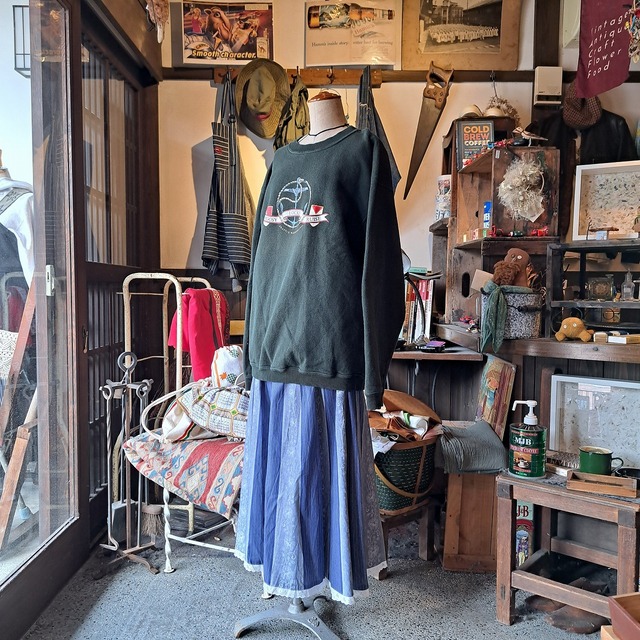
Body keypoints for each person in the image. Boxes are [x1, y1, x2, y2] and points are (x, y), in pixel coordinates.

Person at [235, 91, 405, 607]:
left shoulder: (363, 152)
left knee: (318, 477)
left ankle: (315, 579)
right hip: (272, 348)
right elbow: (261, 266)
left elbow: (381, 267)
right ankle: (286, 574)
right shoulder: (281, 161)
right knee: (282, 477)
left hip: (330, 347)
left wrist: (374, 371)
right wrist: (250, 355)